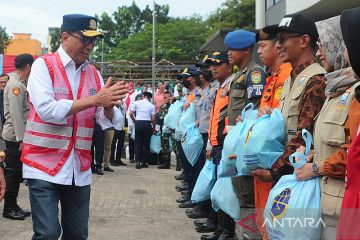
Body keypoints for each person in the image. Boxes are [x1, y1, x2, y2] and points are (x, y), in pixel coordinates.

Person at [21, 14, 126, 239]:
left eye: (94, 41)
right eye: (85, 39)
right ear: (65, 36)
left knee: (78, 235)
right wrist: (96, 100)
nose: (90, 46)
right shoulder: (43, 66)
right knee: (47, 234)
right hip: (42, 166)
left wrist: (108, 105)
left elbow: (108, 121)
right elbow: (48, 110)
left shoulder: (94, 74)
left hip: (78, 168)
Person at [290, 15, 356, 238]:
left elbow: (353, 154)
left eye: (324, 45)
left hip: (341, 208)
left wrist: (317, 167)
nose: (319, 53)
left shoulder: (355, 94)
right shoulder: (335, 88)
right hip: (322, 201)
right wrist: (310, 155)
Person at [252, 13, 327, 205]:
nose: (278, 46)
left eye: (283, 39)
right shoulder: (292, 78)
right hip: (285, 171)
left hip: (298, 176)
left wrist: (273, 171)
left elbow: (304, 135)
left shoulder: (316, 79)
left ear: (304, 40)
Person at [220, 29, 267, 239]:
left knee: (246, 196)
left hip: (244, 143)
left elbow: (254, 110)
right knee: (236, 191)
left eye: (234, 49)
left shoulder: (255, 74)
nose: (229, 53)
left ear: (247, 50)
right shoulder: (239, 74)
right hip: (233, 142)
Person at [253, 25, 292, 239]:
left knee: (274, 221)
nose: (259, 51)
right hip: (264, 159)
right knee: (263, 218)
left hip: (277, 162)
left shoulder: (287, 75)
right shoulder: (273, 76)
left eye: (262, 46)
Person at [199, 51, 234, 240]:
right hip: (216, 144)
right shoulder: (220, 87)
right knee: (219, 188)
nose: (213, 68)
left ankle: (226, 231)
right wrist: (210, 144)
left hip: (226, 144)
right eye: (211, 65)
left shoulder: (232, 84)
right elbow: (213, 119)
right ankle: (220, 228)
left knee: (226, 190)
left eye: (217, 64)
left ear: (228, 66)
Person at [186, 55, 219, 220]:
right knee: (202, 171)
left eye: (205, 69)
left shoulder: (217, 88)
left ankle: (206, 211)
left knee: (209, 174)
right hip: (204, 134)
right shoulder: (206, 90)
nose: (202, 73)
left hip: (212, 136)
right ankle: (201, 205)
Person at [2, 54, 33, 220]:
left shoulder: (18, 83)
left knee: (16, 173)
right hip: (14, 137)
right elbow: (16, 116)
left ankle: (13, 204)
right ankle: (8, 208)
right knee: (12, 173)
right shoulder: (16, 86)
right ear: (28, 66)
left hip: (17, 136)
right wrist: (22, 139)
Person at [130, 91, 156, 169]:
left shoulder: (136, 103)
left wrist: (135, 121)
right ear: (150, 98)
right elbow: (153, 119)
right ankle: (144, 162)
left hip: (139, 123)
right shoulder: (151, 106)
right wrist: (153, 128)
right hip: (147, 124)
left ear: (143, 96)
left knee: (138, 143)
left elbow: (131, 113)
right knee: (146, 144)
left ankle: (137, 161)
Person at [158, 91, 173, 169]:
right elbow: (160, 117)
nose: (166, 99)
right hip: (165, 129)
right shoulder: (162, 107)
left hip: (174, 129)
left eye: (168, 97)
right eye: (165, 97)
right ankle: (166, 163)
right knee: (165, 146)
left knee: (176, 146)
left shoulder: (174, 106)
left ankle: (180, 164)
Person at [110, 99, 127, 166]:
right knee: (113, 144)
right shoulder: (113, 104)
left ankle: (118, 159)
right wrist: (116, 104)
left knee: (121, 144)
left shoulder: (123, 103)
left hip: (122, 126)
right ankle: (111, 159)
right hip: (114, 126)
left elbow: (124, 113)